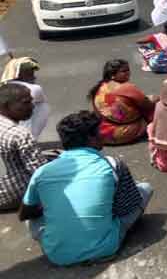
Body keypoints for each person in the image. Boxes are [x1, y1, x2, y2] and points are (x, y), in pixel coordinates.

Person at [19, 111, 152, 266]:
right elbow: (125, 209)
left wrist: (54, 207)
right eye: (100, 132)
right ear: (91, 139)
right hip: (105, 248)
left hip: (58, 256)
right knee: (145, 188)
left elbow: (24, 214)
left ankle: (66, 242)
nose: (103, 135)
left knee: (31, 221)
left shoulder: (42, 172)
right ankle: (103, 241)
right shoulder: (112, 164)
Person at [0, 84, 45, 211]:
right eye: (26, 103)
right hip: (10, 197)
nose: (32, 106)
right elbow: (40, 173)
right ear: (6, 106)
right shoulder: (20, 134)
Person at [89, 59, 155, 145]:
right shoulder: (127, 88)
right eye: (124, 71)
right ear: (112, 75)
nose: (128, 73)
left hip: (103, 132)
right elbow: (148, 105)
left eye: (128, 70)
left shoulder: (101, 86)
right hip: (122, 133)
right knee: (156, 106)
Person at [1, 57, 50, 140]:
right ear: (18, 74)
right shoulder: (34, 89)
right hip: (24, 133)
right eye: (29, 74)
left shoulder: (3, 88)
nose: (34, 77)